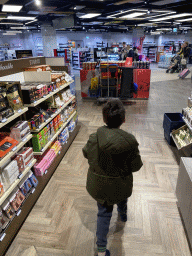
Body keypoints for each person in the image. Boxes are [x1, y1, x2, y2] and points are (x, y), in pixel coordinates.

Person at [82, 99, 143, 256]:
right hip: (120, 185)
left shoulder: (94, 138)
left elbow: (86, 153)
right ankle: (123, 216)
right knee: (122, 198)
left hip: (99, 186)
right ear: (123, 119)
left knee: (103, 214)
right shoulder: (129, 142)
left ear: (104, 118)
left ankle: (101, 249)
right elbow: (136, 166)